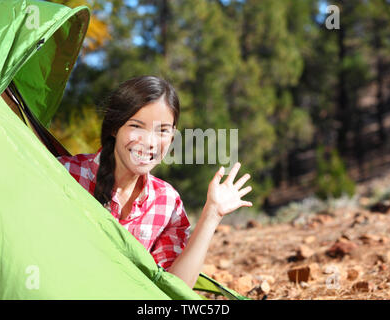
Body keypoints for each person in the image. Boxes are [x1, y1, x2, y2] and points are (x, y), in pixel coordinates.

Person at [57, 75, 252, 288]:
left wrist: (212, 214)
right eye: (137, 126)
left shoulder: (167, 202)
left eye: (162, 130)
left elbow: (173, 290)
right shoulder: (64, 174)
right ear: (115, 127)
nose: (149, 142)